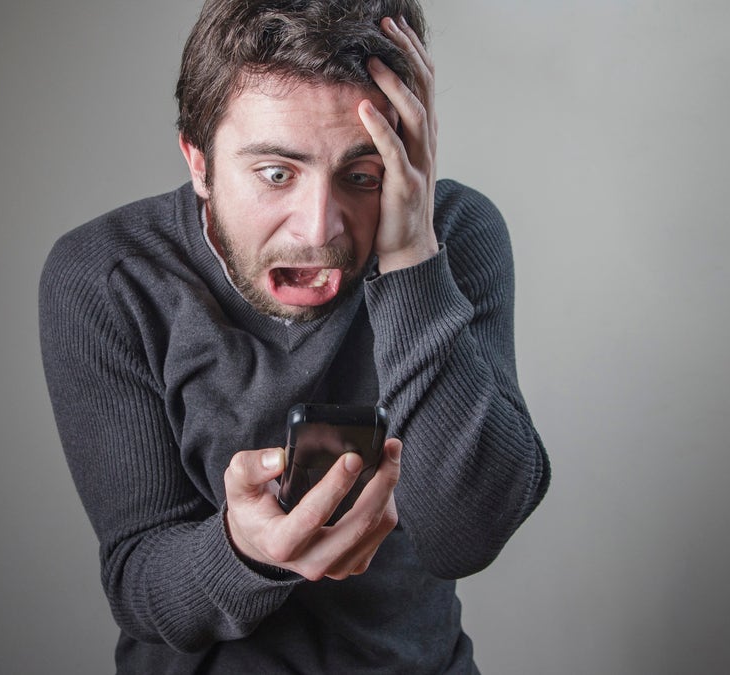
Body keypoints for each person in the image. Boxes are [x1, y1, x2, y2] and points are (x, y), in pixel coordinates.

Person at [39, 0, 550, 671]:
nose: (319, 229)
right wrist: (243, 550)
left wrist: (412, 254)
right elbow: (141, 584)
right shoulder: (108, 277)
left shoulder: (452, 235)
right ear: (199, 162)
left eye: (362, 174)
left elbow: (468, 535)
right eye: (276, 172)